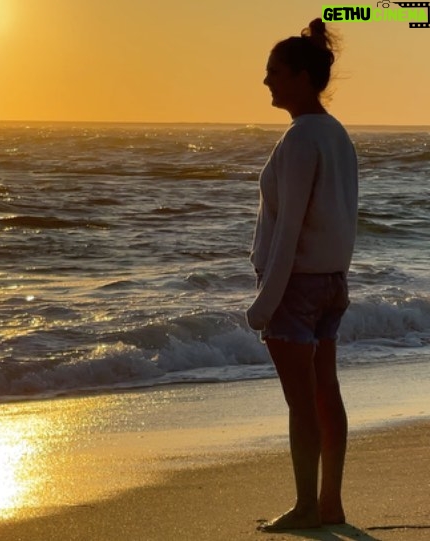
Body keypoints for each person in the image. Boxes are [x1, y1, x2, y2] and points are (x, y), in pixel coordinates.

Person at [246, 18, 359, 532]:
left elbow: (288, 229)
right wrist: (335, 276)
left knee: (302, 403)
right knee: (325, 392)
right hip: (332, 279)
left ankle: (307, 507)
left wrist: (264, 303)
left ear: (297, 75)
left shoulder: (299, 140)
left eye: (273, 72)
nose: (266, 81)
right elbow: (341, 216)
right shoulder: (337, 135)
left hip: (297, 286)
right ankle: (329, 502)